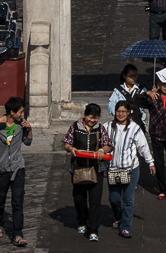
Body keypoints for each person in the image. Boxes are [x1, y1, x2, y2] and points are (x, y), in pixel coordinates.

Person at [0, 95, 32, 246]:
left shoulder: (21, 126)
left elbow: (28, 142)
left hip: (17, 168)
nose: (22, 114)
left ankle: (17, 233)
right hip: (1, 169)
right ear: (11, 112)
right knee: (0, 199)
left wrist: (30, 129)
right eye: (20, 112)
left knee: (17, 201)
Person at [106, 99, 155, 237]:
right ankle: (118, 217)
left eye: (123, 112)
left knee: (128, 199)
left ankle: (126, 227)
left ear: (128, 113)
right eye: (118, 111)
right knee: (114, 198)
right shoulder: (108, 126)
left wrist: (150, 162)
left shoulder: (135, 128)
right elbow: (95, 133)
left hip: (131, 169)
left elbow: (143, 147)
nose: (120, 114)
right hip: (113, 169)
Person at [63, 103, 112, 241]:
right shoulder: (75, 127)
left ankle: (93, 230)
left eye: (95, 118)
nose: (92, 120)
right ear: (85, 115)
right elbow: (66, 142)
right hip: (78, 167)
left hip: (96, 169)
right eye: (90, 117)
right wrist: (71, 149)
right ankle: (81, 220)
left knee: (95, 200)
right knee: (79, 198)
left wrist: (102, 150)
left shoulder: (100, 129)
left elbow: (108, 144)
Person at [108, 64, 147, 132]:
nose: (134, 78)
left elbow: (146, 104)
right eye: (131, 76)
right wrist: (120, 115)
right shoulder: (118, 90)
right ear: (124, 76)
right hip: (122, 125)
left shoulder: (142, 89)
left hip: (138, 124)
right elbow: (111, 105)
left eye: (135, 76)